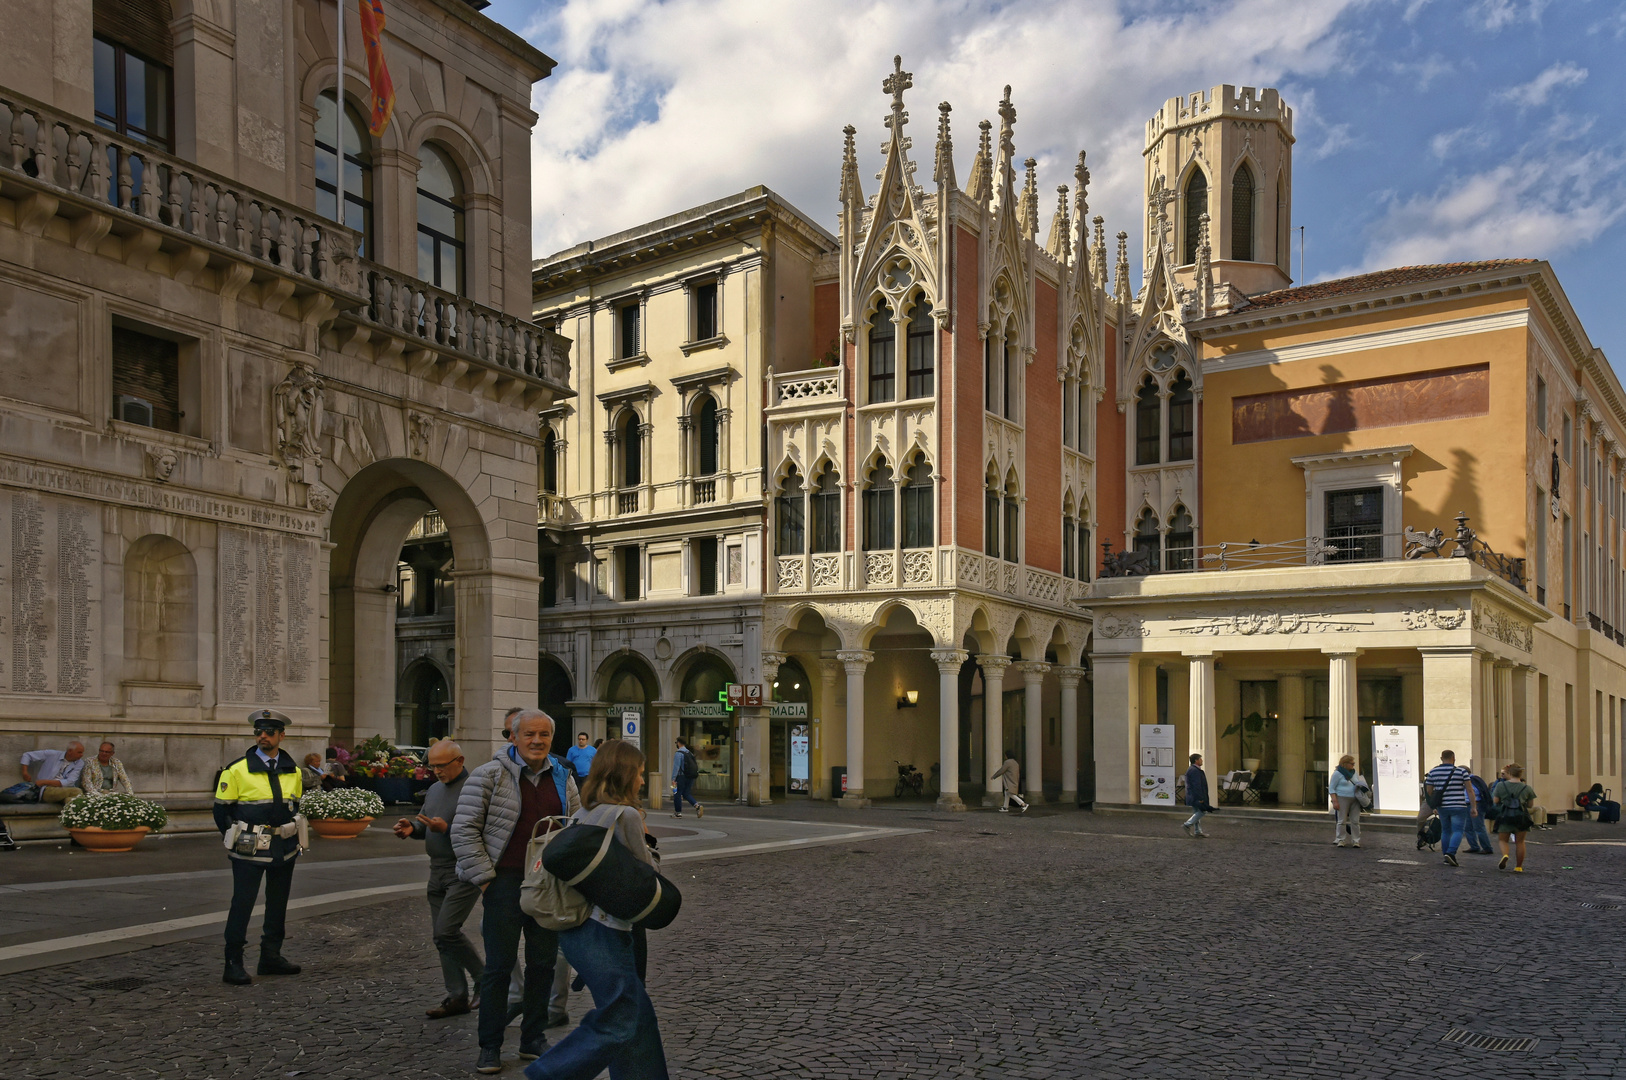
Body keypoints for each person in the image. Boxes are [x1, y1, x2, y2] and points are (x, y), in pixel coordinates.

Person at [526, 739, 669, 1080]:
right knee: (620, 1018)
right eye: (639, 772)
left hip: (576, 931)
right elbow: (648, 876)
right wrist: (650, 844)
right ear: (625, 775)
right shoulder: (627, 815)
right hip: (606, 931)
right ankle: (548, 1073)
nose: (643, 781)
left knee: (637, 1017)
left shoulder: (582, 813)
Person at [452, 709, 581, 1074]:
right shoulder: (488, 775)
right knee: (499, 968)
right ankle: (490, 1045)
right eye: (529, 735)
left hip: (547, 884)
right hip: (504, 882)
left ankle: (532, 1039)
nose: (537, 741)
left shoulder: (563, 777)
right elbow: (463, 830)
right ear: (513, 736)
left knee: (542, 964)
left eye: (544, 735)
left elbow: (575, 826)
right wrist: (486, 879)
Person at [213, 710, 305, 986]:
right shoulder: (236, 769)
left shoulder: (294, 770)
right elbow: (221, 812)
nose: (262, 736)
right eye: (258, 732)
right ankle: (233, 962)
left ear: (281, 735)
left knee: (278, 904)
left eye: (268, 732)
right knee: (242, 904)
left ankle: (271, 957)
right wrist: (236, 839)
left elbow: (295, 806)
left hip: (285, 846)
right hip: (249, 849)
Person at [394, 739, 484, 1018]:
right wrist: (415, 828)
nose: (436, 772)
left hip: (463, 869)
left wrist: (447, 829)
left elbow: (481, 830)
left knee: (447, 931)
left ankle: (485, 979)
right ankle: (456, 996)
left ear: (460, 761)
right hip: (437, 869)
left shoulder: (475, 789)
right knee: (440, 937)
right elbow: (428, 822)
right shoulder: (434, 789)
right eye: (432, 766)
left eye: (441, 766)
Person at [1424, 749, 1477, 867]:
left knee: (1446, 831)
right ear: (1453, 758)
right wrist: (1473, 807)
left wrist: (1435, 804)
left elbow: (1429, 790)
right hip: (1459, 805)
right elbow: (1469, 790)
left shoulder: (1433, 772)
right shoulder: (1461, 772)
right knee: (1458, 830)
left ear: (1441, 758)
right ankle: (1451, 853)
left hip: (1443, 806)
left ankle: (1445, 857)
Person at [1492, 763, 1537, 872]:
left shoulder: (1501, 786)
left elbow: (1496, 801)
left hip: (1505, 815)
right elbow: (1530, 805)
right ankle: (1518, 866)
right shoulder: (1527, 788)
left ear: (1510, 773)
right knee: (1520, 842)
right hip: (1520, 816)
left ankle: (1505, 855)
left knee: (1503, 840)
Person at [18, 742, 87, 803]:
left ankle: (70, 815)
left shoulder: (79, 763)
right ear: (70, 751)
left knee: (70, 800)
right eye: (79, 752)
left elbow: (70, 781)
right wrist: (25, 772)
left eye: (82, 752)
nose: (82, 755)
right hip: (46, 789)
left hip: (65, 789)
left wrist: (44, 781)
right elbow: (27, 755)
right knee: (77, 792)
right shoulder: (52, 754)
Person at [1328, 753, 1362, 849]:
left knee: (1355, 821)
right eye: (1351, 763)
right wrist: (1335, 801)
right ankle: (1341, 839)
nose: (1353, 765)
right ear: (1345, 763)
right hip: (1342, 798)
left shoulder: (1354, 772)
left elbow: (1357, 782)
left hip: (1355, 799)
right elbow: (1332, 788)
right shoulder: (1337, 773)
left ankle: (1356, 841)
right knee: (1341, 820)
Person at [1463, 769, 1495, 855]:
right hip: (1469, 804)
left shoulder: (1472, 780)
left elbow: (1474, 792)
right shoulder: (1474, 780)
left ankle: (1487, 847)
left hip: (1476, 804)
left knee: (1478, 827)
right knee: (1468, 827)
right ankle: (1474, 846)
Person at [670, 737, 703, 819]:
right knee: (686, 793)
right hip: (690, 776)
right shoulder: (689, 753)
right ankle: (697, 806)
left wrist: (673, 779)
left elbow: (676, 767)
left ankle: (678, 813)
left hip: (680, 777)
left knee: (676, 793)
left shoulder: (678, 753)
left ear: (678, 743)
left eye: (676, 742)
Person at [1182, 753, 1211, 837]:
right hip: (1196, 796)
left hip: (1192, 795)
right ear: (1196, 760)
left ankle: (1198, 831)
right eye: (1200, 759)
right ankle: (1187, 824)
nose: (1202, 761)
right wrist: (1200, 798)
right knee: (1202, 811)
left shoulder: (1192, 769)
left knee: (1196, 812)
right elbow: (1197, 785)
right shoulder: (1195, 770)